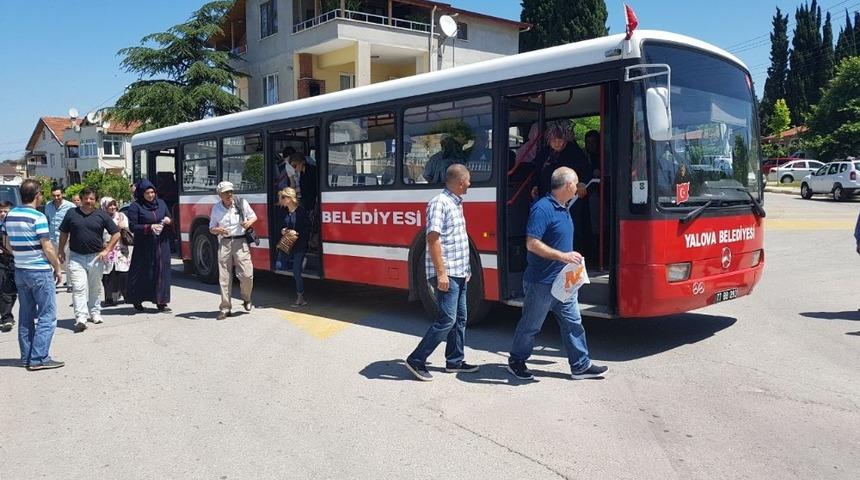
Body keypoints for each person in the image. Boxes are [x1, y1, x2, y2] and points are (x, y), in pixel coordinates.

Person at [507, 167, 608, 381]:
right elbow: (532, 243)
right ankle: (516, 360)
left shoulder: (563, 207)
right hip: (541, 282)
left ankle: (580, 365)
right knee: (531, 326)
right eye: (577, 183)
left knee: (573, 323)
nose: (579, 187)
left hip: (564, 281)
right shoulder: (542, 209)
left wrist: (571, 260)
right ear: (569, 185)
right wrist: (563, 256)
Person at [405, 164, 479, 381]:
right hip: (446, 273)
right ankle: (416, 359)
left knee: (460, 318)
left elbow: (456, 240)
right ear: (459, 182)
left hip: (459, 271)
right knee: (447, 319)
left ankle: (454, 361)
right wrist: (441, 274)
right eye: (468, 180)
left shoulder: (456, 203)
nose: (470, 183)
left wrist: (465, 270)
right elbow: (433, 238)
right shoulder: (439, 203)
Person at [4, 179, 64, 370]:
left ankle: (26, 356)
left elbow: (5, 242)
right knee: (47, 315)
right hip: (39, 271)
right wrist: (57, 267)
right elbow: (47, 246)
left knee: (26, 314)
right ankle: (39, 358)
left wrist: (19, 255)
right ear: (37, 195)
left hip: (20, 270)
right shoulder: (38, 217)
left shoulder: (10, 215)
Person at [58, 188, 120, 332]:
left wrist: (107, 250)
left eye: (91, 198)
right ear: (81, 199)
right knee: (79, 287)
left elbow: (116, 234)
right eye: (86, 198)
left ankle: (95, 312)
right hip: (76, 257)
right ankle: (81, 317)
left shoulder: (101, 215)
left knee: (95, 287)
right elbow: (64, 233)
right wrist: (60, 250)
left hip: (96, 257)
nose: (88, 201)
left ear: (95, 200)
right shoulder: (71, 213)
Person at [209, 181, 256, 320]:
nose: (229, 194)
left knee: (247, 274)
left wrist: (249, 222)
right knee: (224, 277)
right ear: (220, 195)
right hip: (224, 242)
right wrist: (217, 230)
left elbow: (253, 216)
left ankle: (246, 298)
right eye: (225, 193)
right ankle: (225, 308)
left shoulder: (241, 203)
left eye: (230, 191)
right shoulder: (216, 208)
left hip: (241, 241)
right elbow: (211, 227)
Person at [126, 179, 173, 312]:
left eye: (152, 192)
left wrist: (169, 221)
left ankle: (161, 301)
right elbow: (133, 226)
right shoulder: (136, 206)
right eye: (147, 193)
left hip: (161, 244)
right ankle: (137, 300)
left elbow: (169, 218)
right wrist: (149, 227)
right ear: (142, 194)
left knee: (162, 271)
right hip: (144, 246)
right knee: (143, 273)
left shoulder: (161, 203)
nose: (151, 195)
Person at [277, 187, 311, 306]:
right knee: (279, 266)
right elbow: (282, 226)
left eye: (283, 197)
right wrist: (283, 230)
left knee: (296, 271)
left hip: (300, 245)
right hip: (288, 244)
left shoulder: (301, 212)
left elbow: (307, 229)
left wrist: (296, 233)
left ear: (289, 199)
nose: (281, 200)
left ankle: (300, 297)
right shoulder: (285, 212)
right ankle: (300, 262)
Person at [100, 197, 131, 306]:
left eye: (114, 205)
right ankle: (109, 298)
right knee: (108, 275)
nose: (113, 207)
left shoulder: (121, 216)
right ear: (104, 206)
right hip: (106, 248)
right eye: (110, 205)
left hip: (121, 248)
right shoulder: (101, 217)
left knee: (123, 274)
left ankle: (126, 295)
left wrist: (122, 227)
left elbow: (126, 230)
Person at [45, 186, 74, 292]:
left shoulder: (70, 206)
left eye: (58, 195)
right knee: (53, 262)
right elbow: (47, 220)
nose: (56, 198)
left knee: (67, 262)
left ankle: (70, 284)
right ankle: (54, 284)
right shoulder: (48, 206)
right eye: (54, 196)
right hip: (52, 238)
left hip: (66, 238)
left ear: (62, 195)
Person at [0, 201, 17, 333]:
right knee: (5, 289)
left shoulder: (17, 226)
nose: (3, 214)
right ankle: (6, 318)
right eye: (0, 211)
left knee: (14, 291)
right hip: (2, 261)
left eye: (6, 211)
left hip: (17, 260)